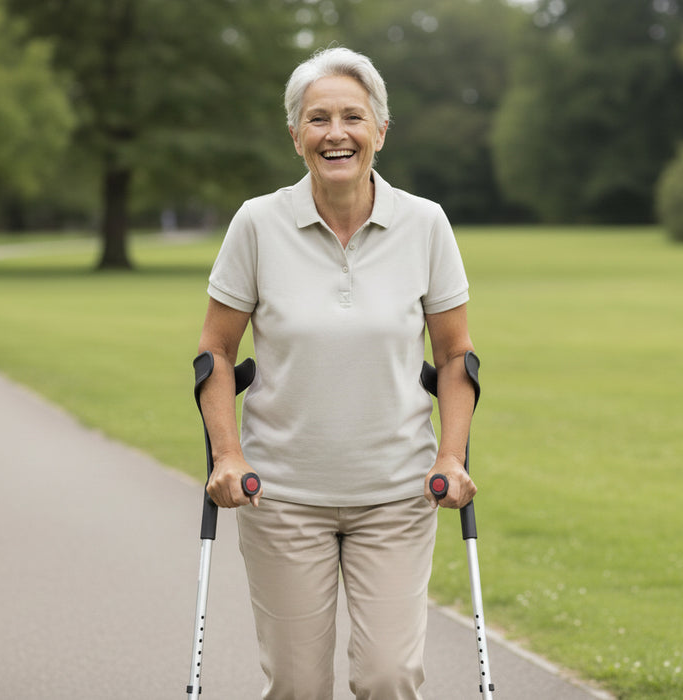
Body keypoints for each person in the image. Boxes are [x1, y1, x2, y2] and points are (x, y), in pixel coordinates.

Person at [197, 46, 477, 700]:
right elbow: (215, 352)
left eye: (354, 117)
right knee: (297, 687)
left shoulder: (425, 224)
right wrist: (227, 455)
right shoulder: (258, 224)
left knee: (389, 677)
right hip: (282, 496)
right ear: (296, 136)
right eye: (317, 119)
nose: (336, 133)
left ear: (380, 130)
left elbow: (456, 355)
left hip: (397, 495)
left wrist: (453, 455)